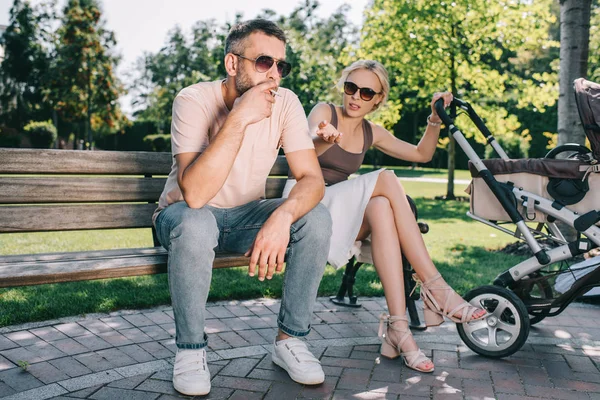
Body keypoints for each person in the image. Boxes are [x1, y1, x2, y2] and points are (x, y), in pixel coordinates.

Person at [153, 19, 332, 396]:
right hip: (182, 217)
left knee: (314, 216)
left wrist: (282, 215)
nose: (275, 76)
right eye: (264, 62)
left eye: (282, 66)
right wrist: (240, 116)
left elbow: (312, 179)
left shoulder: (287, 104)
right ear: (232, 64)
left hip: (243, 218)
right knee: (198, 221)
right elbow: (196, 195)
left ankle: (290, 341)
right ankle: (190, 350)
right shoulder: (193, 100)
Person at [283, 60, 487, 373]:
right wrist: (324, 138)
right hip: (304, 204)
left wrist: (434, 120)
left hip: (336, 212)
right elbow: (304, 152)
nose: (355, 97)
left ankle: (399, 328)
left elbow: (422, 155)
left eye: (366, 92)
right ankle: (437, 288)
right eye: (351, 88)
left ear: (378, 99)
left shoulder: (371, 132)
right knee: (386, 179)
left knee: (380, 207)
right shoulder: (325, 112)